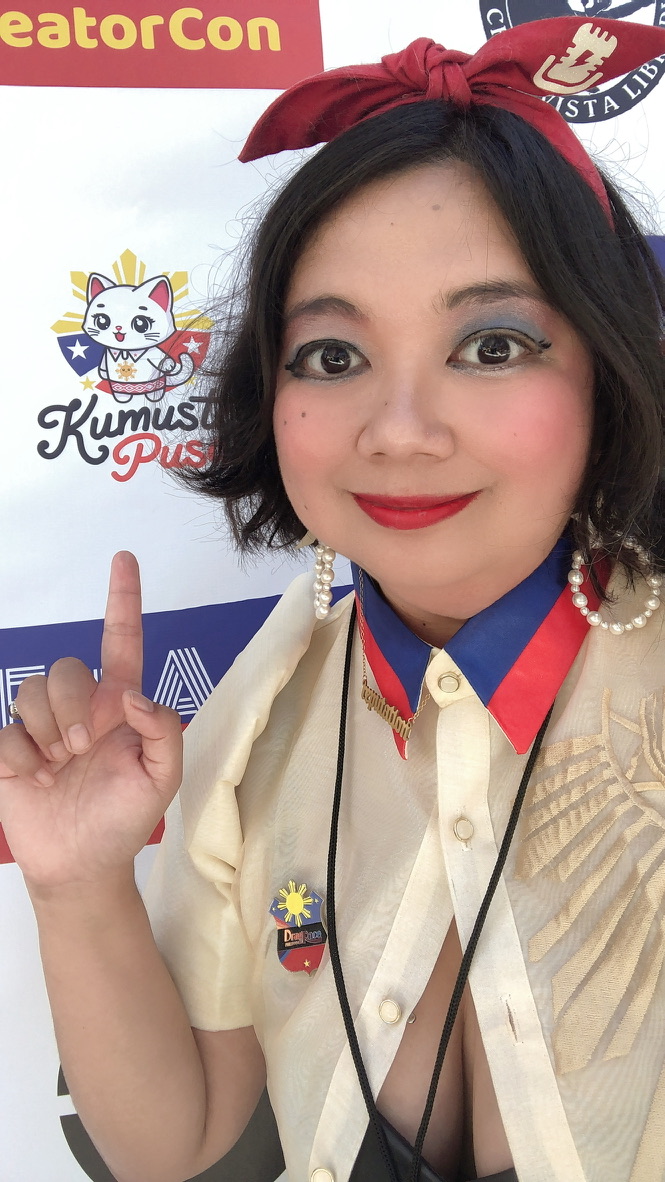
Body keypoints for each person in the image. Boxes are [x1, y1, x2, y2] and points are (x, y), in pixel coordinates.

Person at [1, 16, 664, 1182]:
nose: (397, 433)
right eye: (333, 357)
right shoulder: (259, 717)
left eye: (491, 346)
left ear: (607, 377)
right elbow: (178, 1144)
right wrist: (78, 884)